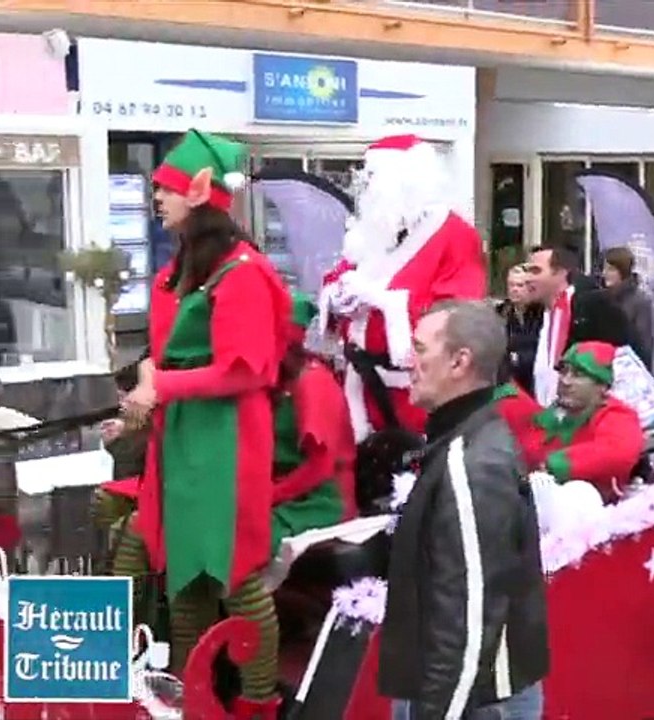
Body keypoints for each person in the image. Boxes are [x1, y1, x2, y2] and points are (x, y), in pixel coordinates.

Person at [118, 129, 292, 719]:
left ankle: (257, 702)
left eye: (165, 190)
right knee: (186, 578)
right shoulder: (186, 267)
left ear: (198, 196)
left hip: (224, 440)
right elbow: (167, 352)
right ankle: (190, 703)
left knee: (236, 576)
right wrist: (148, 380)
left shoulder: (242, 273)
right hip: (186, 435)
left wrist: (160, 385)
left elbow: (246, 369)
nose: (156, 200)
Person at [380, 301, 549, 720]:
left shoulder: (474, 461)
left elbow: (470, 619)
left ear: (459, 361)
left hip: (476, 702)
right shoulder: (461, 442)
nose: (408, 361)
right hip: (459, 691)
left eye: (419, 349)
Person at [320, 134, 487, 441]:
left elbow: (459, 315)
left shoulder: (455, 235)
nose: (365, 185)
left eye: (373, 177)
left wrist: (385, 302)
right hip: (359, 382)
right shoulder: (371, 230)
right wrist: (340, 296)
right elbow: (339, 276)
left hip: (416, 390)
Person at [495, 341, 645, 501]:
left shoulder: (616, 414)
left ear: (602, 386)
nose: (565, 381)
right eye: (563, 372)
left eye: (578, 375)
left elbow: (617, 452)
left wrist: (556, 464)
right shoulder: (550, 416)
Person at [269, 292, 358, 555]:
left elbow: (319, 467)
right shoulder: (277, 383)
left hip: (323, 499)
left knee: (249, 535)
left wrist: (269, 496)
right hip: (289, 492)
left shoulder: (313, 383)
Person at [529, 244, 631, 406]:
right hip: (545, 416)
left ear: (561, 273)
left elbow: (619, 361)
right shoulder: (534, 315)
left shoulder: (592, 308)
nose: (528, 278)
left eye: (536, 271)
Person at [601, 246, 654, 367]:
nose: (604, 274)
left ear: (623, 271)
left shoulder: (639, 301)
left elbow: (644, 345)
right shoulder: (603, 298)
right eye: (604, 268)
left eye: (610, 269)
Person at [499, 264, 543, 395]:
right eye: (511, 285)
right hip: (511, 384)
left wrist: (516, 358)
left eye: (519, 285)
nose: (514, 290)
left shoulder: (542, 313)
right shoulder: (501, 313)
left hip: (536, 381)